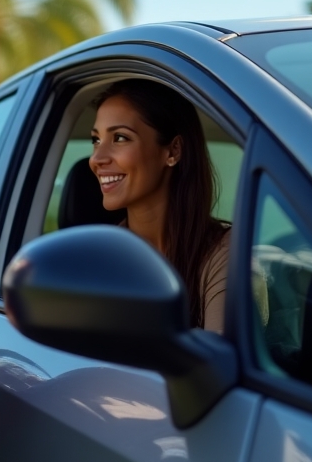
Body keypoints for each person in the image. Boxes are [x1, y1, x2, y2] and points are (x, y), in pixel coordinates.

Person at [89, 79, 231, 333]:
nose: (97, 158)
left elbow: (219, 366)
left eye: (119, 138)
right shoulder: (99, 259)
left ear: (173, 150)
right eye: (96, 140)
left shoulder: (222, 252)